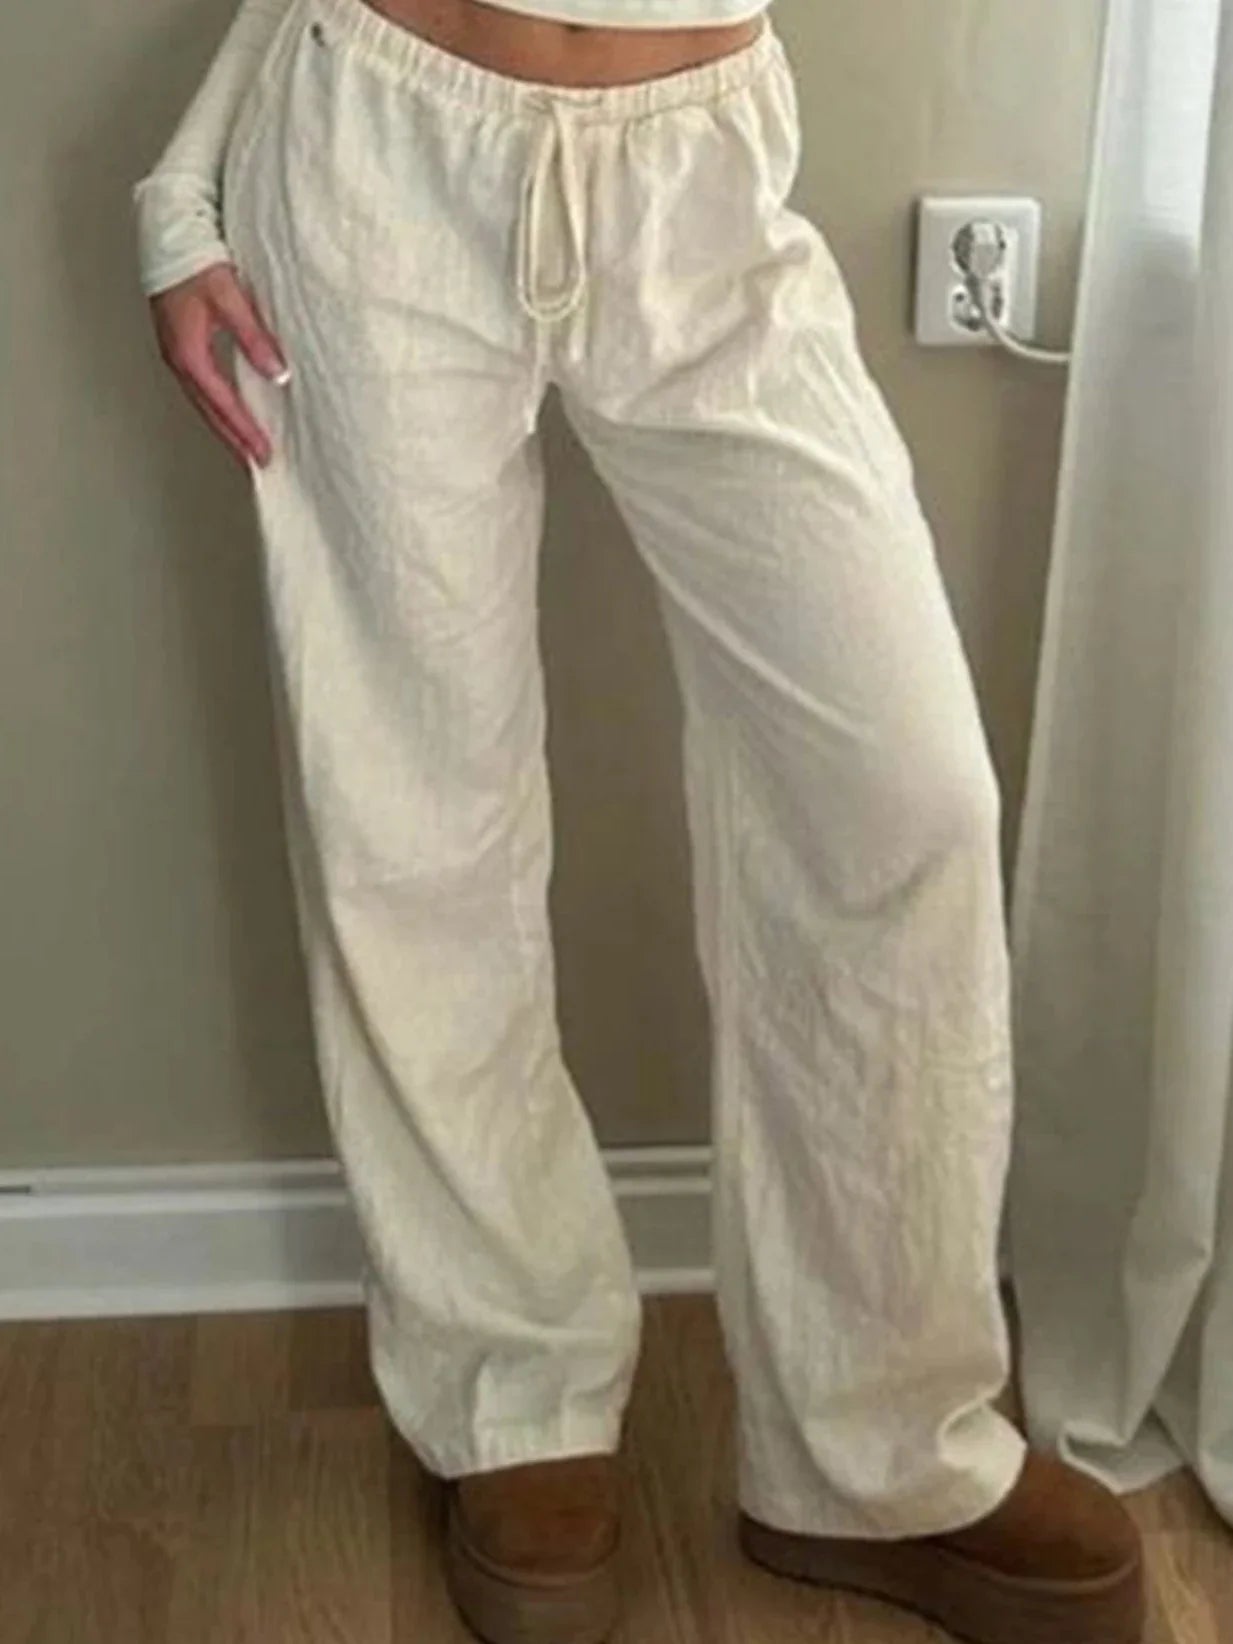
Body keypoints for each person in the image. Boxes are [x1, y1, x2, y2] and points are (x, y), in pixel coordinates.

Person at [132, 3, 1145, 1642]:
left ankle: (881, 1446)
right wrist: (182, 190)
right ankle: (512, 1387)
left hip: (702, 175)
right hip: (374, 147)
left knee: (903, 806)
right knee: (413, 823)